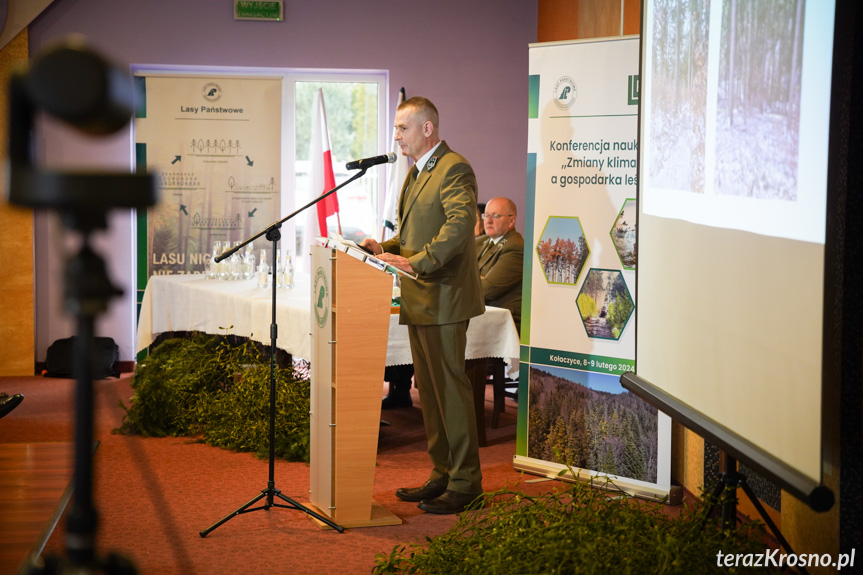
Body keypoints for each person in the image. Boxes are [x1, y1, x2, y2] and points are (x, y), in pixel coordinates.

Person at [362, 96, 484, 515]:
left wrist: (416, 263)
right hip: (421, 295)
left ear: (427, 128)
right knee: (428, 393)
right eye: (396, 129)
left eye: (402, 128)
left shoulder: (454, 168)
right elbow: (414, 237)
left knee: (451, 390)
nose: (396, 136)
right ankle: (442, 473)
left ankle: (467, 483)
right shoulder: (415, 173)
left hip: (445, 296)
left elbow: (459, 226)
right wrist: (384, 249)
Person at [476, 197, 523, 332]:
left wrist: (469, 278)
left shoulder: (516, 247)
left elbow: (485, 289)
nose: (489, 221)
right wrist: (476, 278)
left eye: (496, 216)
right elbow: (456, 272)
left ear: (512, 220)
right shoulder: (480, 241)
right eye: (486, 215)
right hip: (482, 316)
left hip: (504, 324)